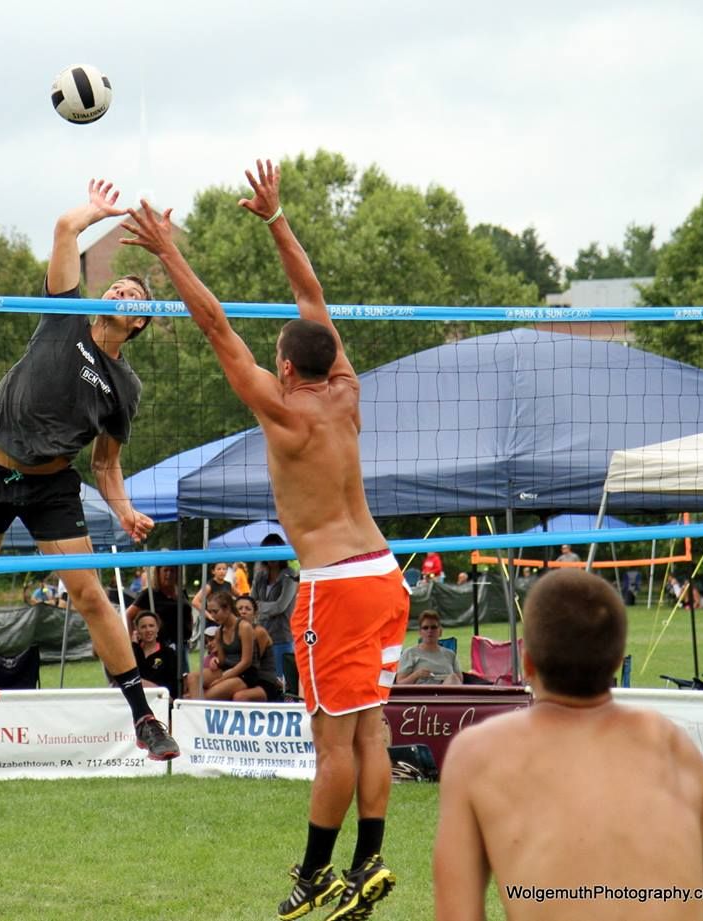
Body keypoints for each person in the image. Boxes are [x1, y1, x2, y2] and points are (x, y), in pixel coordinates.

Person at [123, 159, 409, 921]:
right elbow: (311, 300)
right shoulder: (344, 390)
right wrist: (278, 220)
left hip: (339, 586)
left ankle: (318, 875)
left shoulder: (282, 411)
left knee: (334, 746)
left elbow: (216, 324)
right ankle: (368, 862)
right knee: (371, 727)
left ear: (285, 367)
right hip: (385, 575)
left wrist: (166, 253)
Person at [0, 177, 178, 762]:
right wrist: (96, 212)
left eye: (134, 297)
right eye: (119, 285)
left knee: (90, 594)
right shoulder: (65, 313)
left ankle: (143, 717)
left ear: (140, 324)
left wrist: (123, 509)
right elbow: (64, 229)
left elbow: (106, 464)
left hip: (50, 484)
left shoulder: (124, 387)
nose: (122, 293)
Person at [434, 569, 703, 921]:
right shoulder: (669, 744)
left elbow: (457, 913)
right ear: (616, 661)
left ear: (526, 663)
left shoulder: (477, 754)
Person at [251, 533, 299, 683]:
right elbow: (252, 602)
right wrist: (259, 607)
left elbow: (280, 606)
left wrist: (259, 607)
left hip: (281, 636)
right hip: (260, 634)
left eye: (275, 550)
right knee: (262, 678)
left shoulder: (290, 576)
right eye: (268, 551)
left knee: (281, 680)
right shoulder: (260, 576)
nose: (272, 556)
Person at [125, 563, 194, 654]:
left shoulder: (181, 592)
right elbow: (128, 615)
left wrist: (190, 630)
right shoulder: (149, 594)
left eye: (172, 570)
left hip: (182, 644)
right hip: (161, 646)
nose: (168, 574)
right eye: (165, 570)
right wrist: (133, 640)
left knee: (183, 668)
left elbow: (188, 612)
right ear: (158, 573)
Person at [234, 593, 283, 703]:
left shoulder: (259, 632)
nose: (243, 611)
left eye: (248, 609)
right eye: (240, 608)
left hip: (263, 680)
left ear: (255, 614)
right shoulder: (231, 632)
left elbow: (251, 664)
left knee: (239, 696)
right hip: (242, 677)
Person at [396, 611, 462, 685]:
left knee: (453, 678)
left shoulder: (450, 654)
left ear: (440, 631)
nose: (429, 631)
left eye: (433, 627)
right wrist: (416, 675)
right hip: (423, 693)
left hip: (447, 691)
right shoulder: (410, 653)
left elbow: (459, 680)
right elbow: (400, 683)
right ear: (420, 632)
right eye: (425, 628)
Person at [131, 611, 179, 700]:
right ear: (137, 630)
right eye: (143, 627)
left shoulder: (168, 653)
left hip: (161, 698)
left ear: (157, 628)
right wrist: (134, 645)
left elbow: (172, 682)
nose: (148, 630)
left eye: (151, 626)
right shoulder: (134, 651)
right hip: (137, 698)